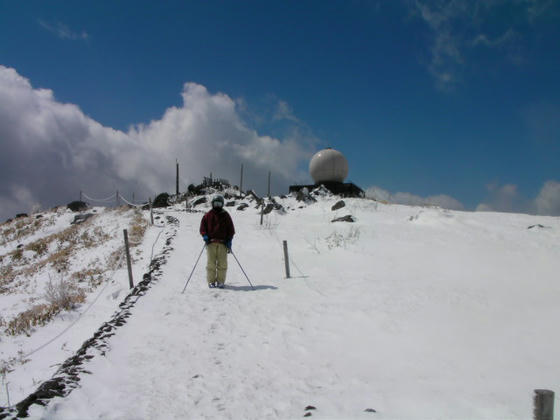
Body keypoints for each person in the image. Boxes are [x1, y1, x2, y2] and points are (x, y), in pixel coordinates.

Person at [199, 194, 235, 289]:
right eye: (216, 203)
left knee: (222, 264)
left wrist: (229, 240)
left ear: (222, 204)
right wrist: (205, 236)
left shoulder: (226, 215)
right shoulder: (208, 215)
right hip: (211, 243)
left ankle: (220, 281)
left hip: (223, 243)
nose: (217, 205)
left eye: (219, 203)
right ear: (213, 204)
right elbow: (202, 228)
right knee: (211, 263)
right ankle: (211, 281)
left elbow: (231, 229)